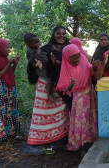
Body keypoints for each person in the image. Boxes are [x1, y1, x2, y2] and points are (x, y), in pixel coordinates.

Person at [28, 26, 70, 155]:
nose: (61, 36)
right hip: (46, 84)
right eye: (58, 33)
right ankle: (47, 144)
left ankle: (62, 141)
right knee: (45, 114)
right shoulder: (44, 49)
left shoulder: (69, 48)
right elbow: (33, 64)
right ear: (53, 34)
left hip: (62, 85)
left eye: (64, 33)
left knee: (62, 113)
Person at [56, 44, 98, 152]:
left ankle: (91, 140)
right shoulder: (66, 68)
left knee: (91, 117)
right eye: (74, 58)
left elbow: (90, 70)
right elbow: (66, 89)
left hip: (90, 93)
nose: (77, 59)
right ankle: (82, 143)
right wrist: (71, 84)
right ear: (67, 58)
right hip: (79, 97)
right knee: (81, 118)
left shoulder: (83, 59)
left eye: (78, 56)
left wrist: (94, 66)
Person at [0, 38, 20, 142]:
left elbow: (10, 72)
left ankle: (12, 131)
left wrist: (14, 64)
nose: (9, 50)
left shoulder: (5, 58)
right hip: (1, 88)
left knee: (11, 108)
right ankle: (2, 134)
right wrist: (8, 64)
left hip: (10, 86)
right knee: (3, 110)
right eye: (7, 47)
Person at [24, 33, 56, 102]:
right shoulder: (29, 51)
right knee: (50, 79)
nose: (38, 44)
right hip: (40, 70)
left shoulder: (36, 48)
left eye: (38, 42)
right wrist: (38, 53)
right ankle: (49, 94)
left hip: (45, 66)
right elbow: (33, 63)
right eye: (35, 43)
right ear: (28, 44)